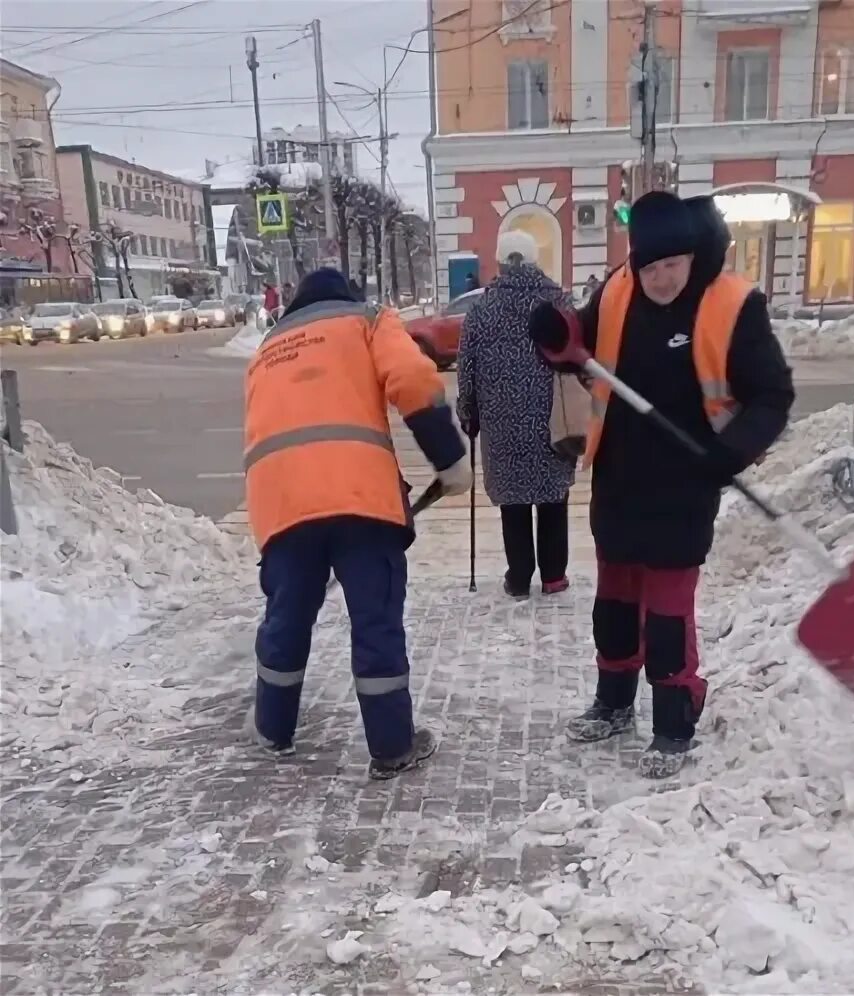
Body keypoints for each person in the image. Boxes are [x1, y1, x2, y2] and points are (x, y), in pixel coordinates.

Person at [529, 191, 794, 774]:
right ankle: (613, 703)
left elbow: (773, 396)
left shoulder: (732, 303)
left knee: (668, 614)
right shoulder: (619, 289)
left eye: (672, 264)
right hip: (619, 475)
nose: (661, 278)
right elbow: (581, 349)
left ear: (693, 257)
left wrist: (732, 451)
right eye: (650, 266)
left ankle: (675, 720)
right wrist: (558, 334)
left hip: (686, 477)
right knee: (615, 604)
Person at [245, 267, 472, 779]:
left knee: (286, 617)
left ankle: (273, 728)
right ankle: (392, 748)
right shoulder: (366, 321)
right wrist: (449, 457)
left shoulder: (267, 346)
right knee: (375, 621)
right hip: (358, 502)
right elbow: (413, 379)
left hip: (281, 504)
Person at [456, 230, 576, 598]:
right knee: (553, 496)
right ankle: (554, 576)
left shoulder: (481, 309)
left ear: (501, 261)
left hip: (501, 421)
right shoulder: (560, 302)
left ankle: (520, 577)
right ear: (534, 258)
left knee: (514, 500)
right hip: (552, 418)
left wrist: (468, 412)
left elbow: (467, 366)